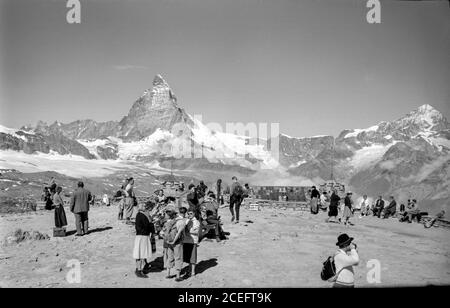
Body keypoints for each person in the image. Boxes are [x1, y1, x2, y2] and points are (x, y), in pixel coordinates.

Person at [166, 206, 187, 282]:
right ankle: (178, 276)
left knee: (170, 257)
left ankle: (168, 273)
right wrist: (174, 241)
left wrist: (169, 241)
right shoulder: (181, 221)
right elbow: (179, 233)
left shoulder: (168, 221)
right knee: (178, 258)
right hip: (177, 242)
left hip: (169, 241)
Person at [133, 202, 154, 278]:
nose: (145, 207)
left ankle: (141, 268)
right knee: (141, 254)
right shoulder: (141, 215)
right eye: (144, 206)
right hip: (142, 236)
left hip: (143, 236)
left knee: (141, 253)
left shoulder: (144, 215)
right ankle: (139, 270)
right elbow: (143, 226)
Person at [183, 208, 200, 278]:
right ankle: (189, 270)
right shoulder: (187, 221)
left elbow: (196, 231)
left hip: (193, 241)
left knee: (192, 257)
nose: (189, 215)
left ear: (194, 214)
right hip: (186, 240)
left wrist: (188, 230)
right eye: (188, 213)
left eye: (191, 214)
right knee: (188, 257)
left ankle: (193, 271)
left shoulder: (196, 222)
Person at [161, 206, 177, 272]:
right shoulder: (174, 221)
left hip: (166, 238)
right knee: (168, 252)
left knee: (166, 252)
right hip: (169, 238)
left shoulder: (167, 222)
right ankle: (168, 264)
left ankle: (166, 265)